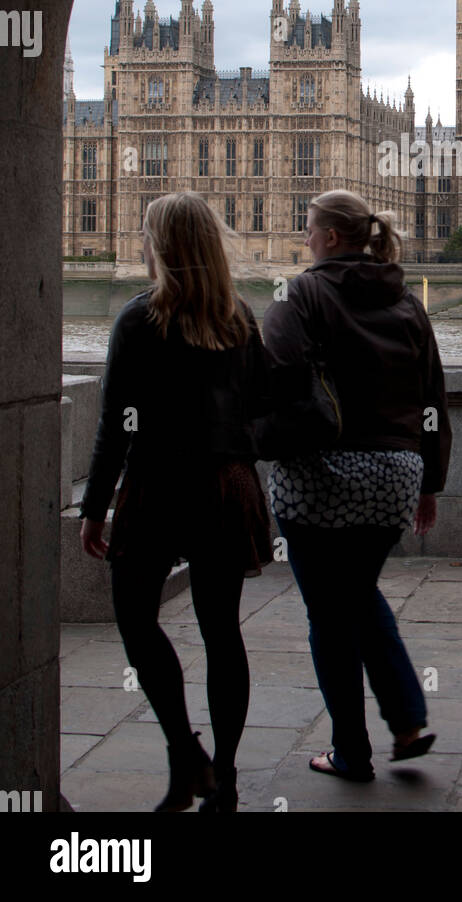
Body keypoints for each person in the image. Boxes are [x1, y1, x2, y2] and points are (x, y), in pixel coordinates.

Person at [79, 191, 272, 813]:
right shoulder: (241, 318)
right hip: (227, 486)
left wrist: (94, 506)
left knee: (136, 620)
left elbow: (118, 422)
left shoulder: (139, 320)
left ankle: (184, 756)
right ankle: (226, 779)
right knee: (223, 634)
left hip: (160, 484)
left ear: (159, 246)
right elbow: (266, 406)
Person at [262, 189, 452, 782]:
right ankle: (407, 721)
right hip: (395, 477)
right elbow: (434, 404)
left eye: (310, 229)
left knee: (329, 612)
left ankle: (352, 752)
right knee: (358, 595)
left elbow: (275, 378)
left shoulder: (302, 292)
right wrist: (429, 486)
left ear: (333, 238)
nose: (305, 238)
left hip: (322, 477)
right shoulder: (407, 304)